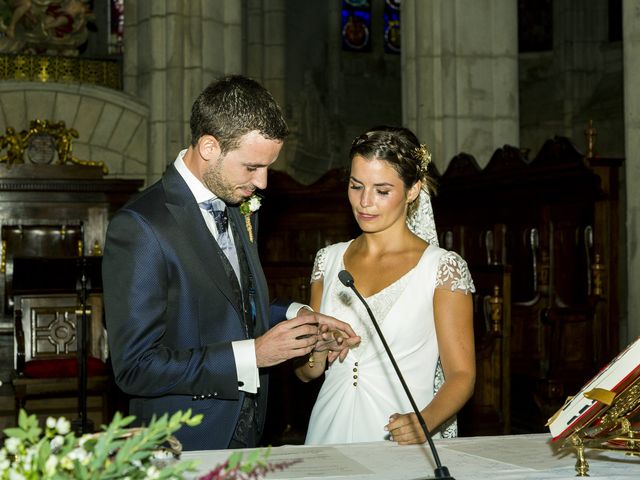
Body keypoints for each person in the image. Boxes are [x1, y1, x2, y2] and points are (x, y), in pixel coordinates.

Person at [102, 75, 359, 451]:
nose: (263, 182)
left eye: (267, 167)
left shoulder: (240, 206)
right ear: (209, 146)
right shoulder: (141, 226)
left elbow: (233, 303)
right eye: (252, 166)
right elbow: (136, 368)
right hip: (183, 443)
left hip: (249, 432)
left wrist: (298, 317)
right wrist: (253, 355)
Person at [295, 126, 476, 445]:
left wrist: (425, 422)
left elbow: (462, 375)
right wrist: (315, 351)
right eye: (356, 186)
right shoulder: (328, 260)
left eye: (382, 190)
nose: (365, 202)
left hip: (402, 435)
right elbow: (308, 372)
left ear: (412, 190)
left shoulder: (442, 269)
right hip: (327, 430)